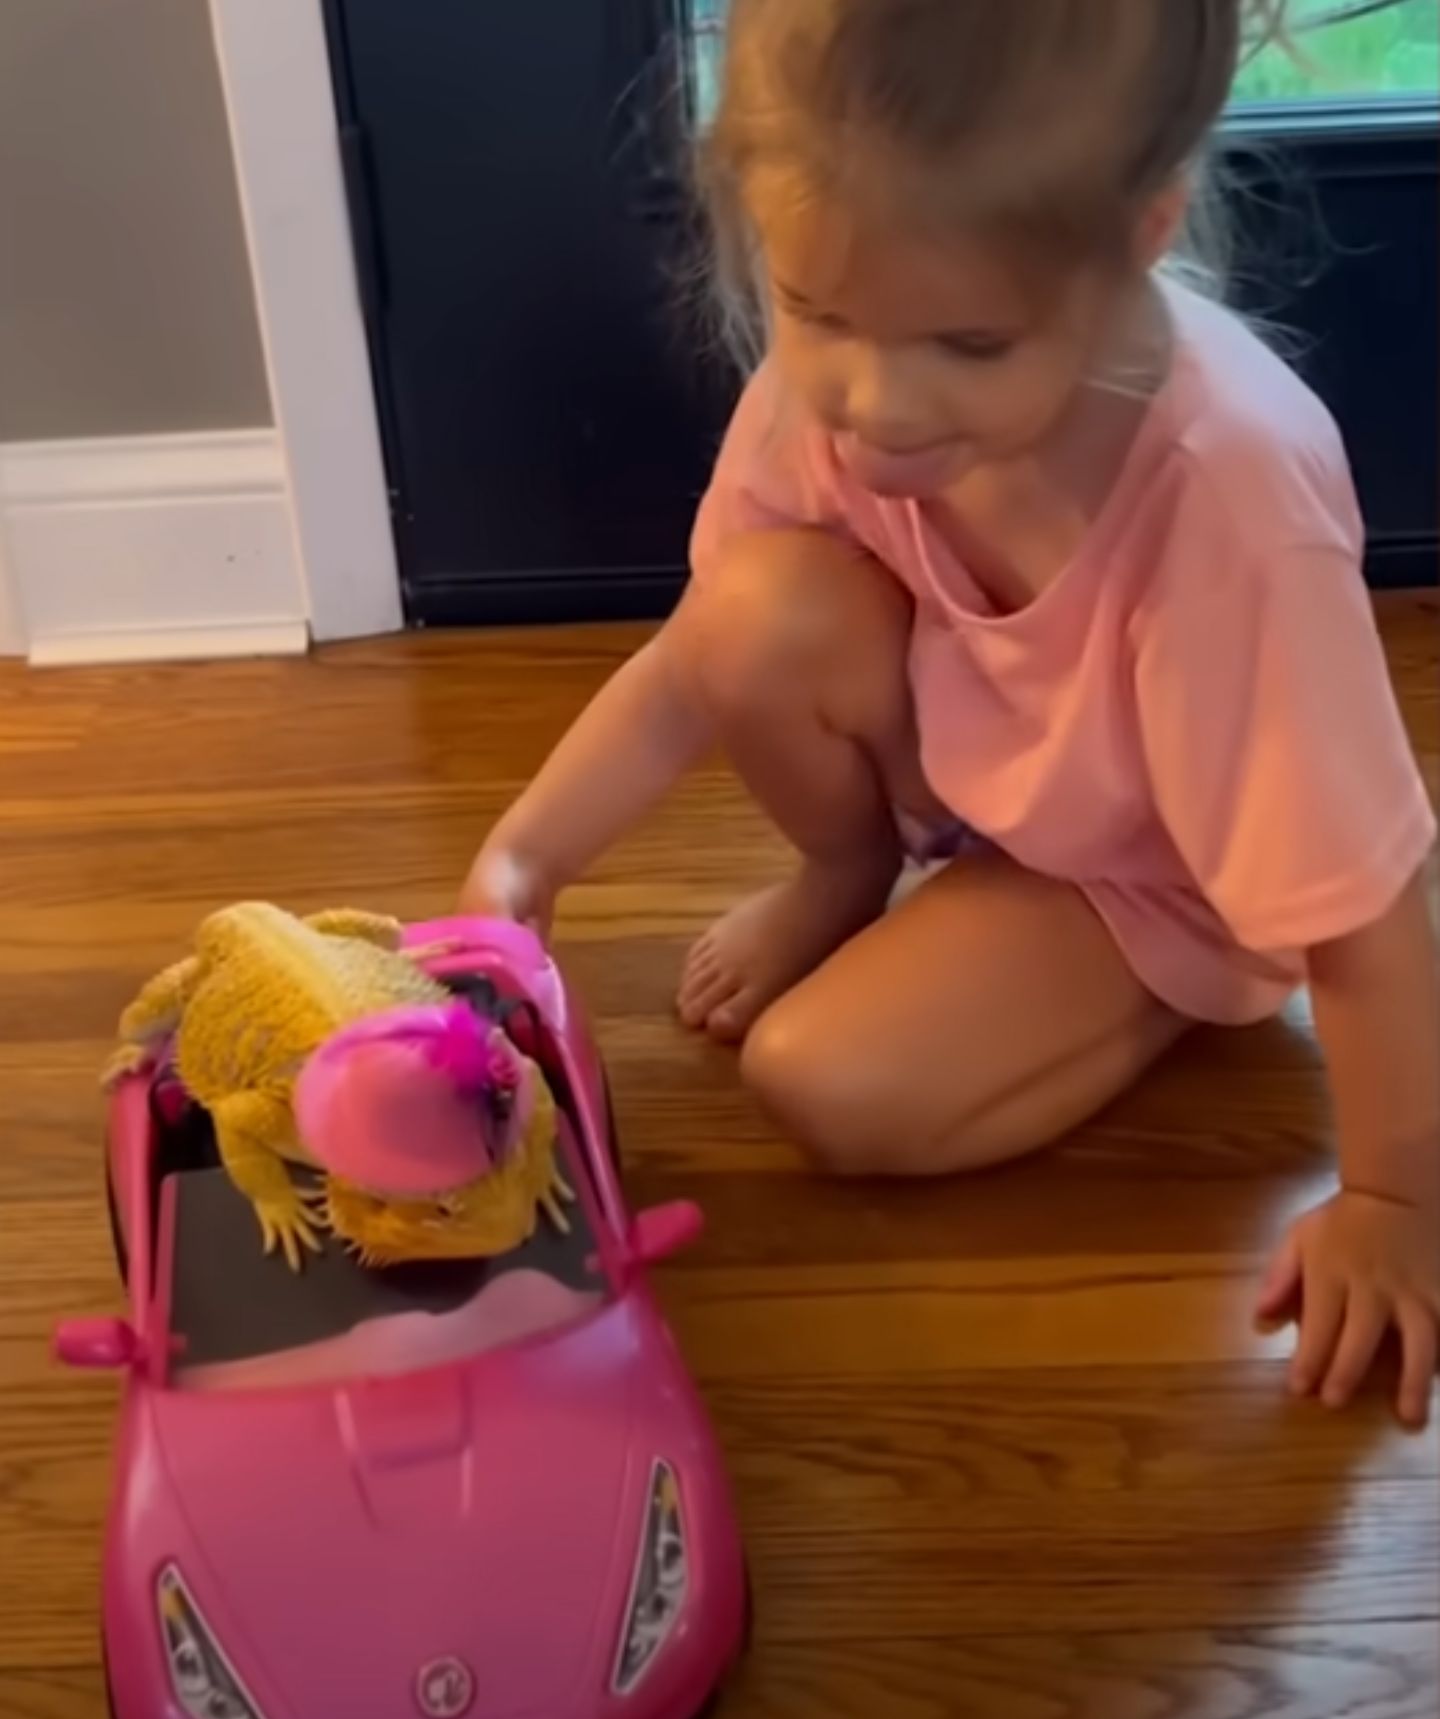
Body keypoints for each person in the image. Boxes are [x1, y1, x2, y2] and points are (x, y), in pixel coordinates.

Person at [463, 0, 1438, 1424]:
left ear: (1143, 234)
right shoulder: (846, 382)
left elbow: (1370, 890)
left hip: (1156, 875)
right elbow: (696, 665)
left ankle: (1170, 995)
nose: (876, 402)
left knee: (830, 1087)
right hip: (993, 766)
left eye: (968, 343)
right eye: (817, 313)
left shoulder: (1230, 494)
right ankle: (849, 877)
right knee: (758, 608)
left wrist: (1396, 1195)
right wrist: (521, 864)